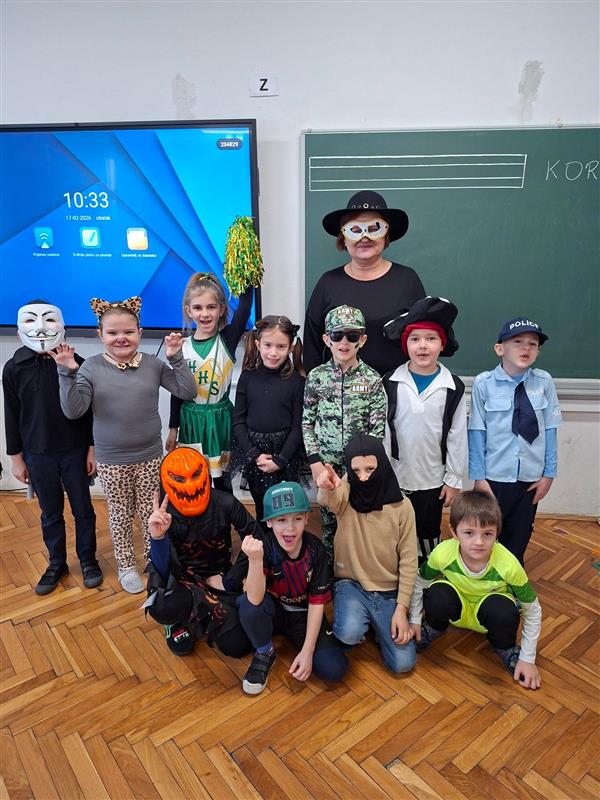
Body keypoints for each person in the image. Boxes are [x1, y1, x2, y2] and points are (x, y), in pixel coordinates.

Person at [53, 296, 197, 594]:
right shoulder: (91, 368)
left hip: (150, 455)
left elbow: (186, 390)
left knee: (150, 511)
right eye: (113, 333)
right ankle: (126, 565)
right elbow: (74, 411)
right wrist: (66, 372)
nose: (121, 338)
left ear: (140, 333)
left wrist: (175, 357)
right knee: (119, 514)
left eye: (129, 332)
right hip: (112, 460)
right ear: (100, 335)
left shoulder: (153, 364)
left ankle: (154, 560)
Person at [3, 301, 101, 594]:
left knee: (83, 509)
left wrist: (92, 448)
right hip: (38, 453)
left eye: (48, 319)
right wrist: (16, 457)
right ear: (19, 328)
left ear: (62, 325)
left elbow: (90, 412)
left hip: (74, 450)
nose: (41, 327)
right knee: (50, 512)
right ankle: (57, 562)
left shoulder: (78, 363)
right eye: (31, 320)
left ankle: (88, 559)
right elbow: (11, 414)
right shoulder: (14, 368)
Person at [216, 482, 348, 694]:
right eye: (281, 520)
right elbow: (255, 600)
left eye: (297, 518)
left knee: (334, 669)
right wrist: (255, 560)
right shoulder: (264, 546)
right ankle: (265, 651)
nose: (290, 528)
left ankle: (283, 641)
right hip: (272, 610)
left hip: (303, 613)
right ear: (269, 522)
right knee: (236, 633)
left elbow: (317, 603)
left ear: (307, 518)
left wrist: (307, 651)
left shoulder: (316, 550)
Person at [408, 490, 542, 690]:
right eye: (469, 533)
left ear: (497, 533)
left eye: (487, 534)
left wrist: (527, 658)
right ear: (454, 532)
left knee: (504, 611)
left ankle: (505, 648)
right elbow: (420, 582)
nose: (479, 542)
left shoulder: (509, 565)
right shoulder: (443, 553)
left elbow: (533, 610)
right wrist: (415, 620)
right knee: (437, 594)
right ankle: (434, 627)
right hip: (456, 609)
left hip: (490, 612)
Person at [316, 435, 418, 674]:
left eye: (370, 469)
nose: (363, 477)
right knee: (348, 633)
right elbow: (328, 500)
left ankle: (375, 623)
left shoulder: (402, 507)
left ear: (382, 463)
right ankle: (365, 622)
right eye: (356, 470)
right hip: (351, 585)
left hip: (388, 592)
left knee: (403, 664)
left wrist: (402, 608)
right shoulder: (346, 491)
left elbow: (409, 560)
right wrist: (325, 485)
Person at [145, 447, 257, 657]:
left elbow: (256, 536)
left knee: (237, 645)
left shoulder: (225, 502)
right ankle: (176, 621)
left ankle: (205, 616)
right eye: (180, 478)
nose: (189, 485)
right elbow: (162, 571)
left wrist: (231, 579)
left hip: (218, 577)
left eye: (195, 475)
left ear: (205, 473)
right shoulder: (163, 515)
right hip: (181, 582)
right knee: (162, 605)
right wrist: (158, 538)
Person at [468, 316, 562, 564]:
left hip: (530, 478)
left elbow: (550, 429)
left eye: (533, 344)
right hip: (494, 477)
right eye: (518, 341)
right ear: (500, 349)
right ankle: (483, 578)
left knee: (519, 537)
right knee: (486, 533)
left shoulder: (544, 382)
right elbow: (477, 431)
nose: (526, 348)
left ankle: (512, 580)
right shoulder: (484, 384)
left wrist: (548, 475)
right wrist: (479, 477)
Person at [303, 190, 425, 376]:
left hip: (397, 388)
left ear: (386, 235)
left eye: (374, 228)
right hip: (339, 391)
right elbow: (312, 347)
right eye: (355, 230)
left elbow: (423, 339)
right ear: (344, 238)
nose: (364, 237)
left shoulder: (407, 280)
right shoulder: (328, 283)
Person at [383, 296, 467, 564]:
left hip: (433, 478)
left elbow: (457, 436)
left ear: (442, 344)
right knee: (395, 530)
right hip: (396, 476)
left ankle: (424, 574)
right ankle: (397, 574)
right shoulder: (390, 382)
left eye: (431, 338)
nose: (422, 345)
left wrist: (453, 479)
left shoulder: (453, 387)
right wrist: (383, 474)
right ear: (405, 344)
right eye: (415, 339)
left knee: (428, 531)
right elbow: (384, 432)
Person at [302, 305, 386, 560]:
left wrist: (361, 469)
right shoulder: (316, 377)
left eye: (352, 335)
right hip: (326, 467)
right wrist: (315, 463)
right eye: (337, 335)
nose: (344, 342)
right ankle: (330, 568)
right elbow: (307, 423)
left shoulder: (372, 380)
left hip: (359, 469)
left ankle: (356, 569)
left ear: (363, 339)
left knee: (359, 520)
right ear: (326, 339)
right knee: (329, 521)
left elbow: (377, 430)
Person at [167, 272, 253, 490]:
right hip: (191, 421)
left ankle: (224, 513)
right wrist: (173, 427)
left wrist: (246, 271)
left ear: (222, 309)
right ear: (188, 310)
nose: (204, 314)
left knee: (222, 482)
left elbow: (244, 308)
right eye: (198, 308)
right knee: (196, 481)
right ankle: (201, 514)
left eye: (211, 307)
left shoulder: (227, 339)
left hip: (221, 420)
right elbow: (177, 391)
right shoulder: (182, 346)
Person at [230, 315, 310, 524]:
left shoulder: (297, 382)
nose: (273, 353)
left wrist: (281, 460)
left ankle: (284, 540)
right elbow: (238, 421)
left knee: (286, 507)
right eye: (268, 345)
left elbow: (298, 426)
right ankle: (265, 541)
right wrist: (254, 455)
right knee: (262, 507)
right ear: (258, 344)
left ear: (291, 347)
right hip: (255, 452)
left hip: (285, 453)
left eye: (281, 346)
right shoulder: (247, 377)